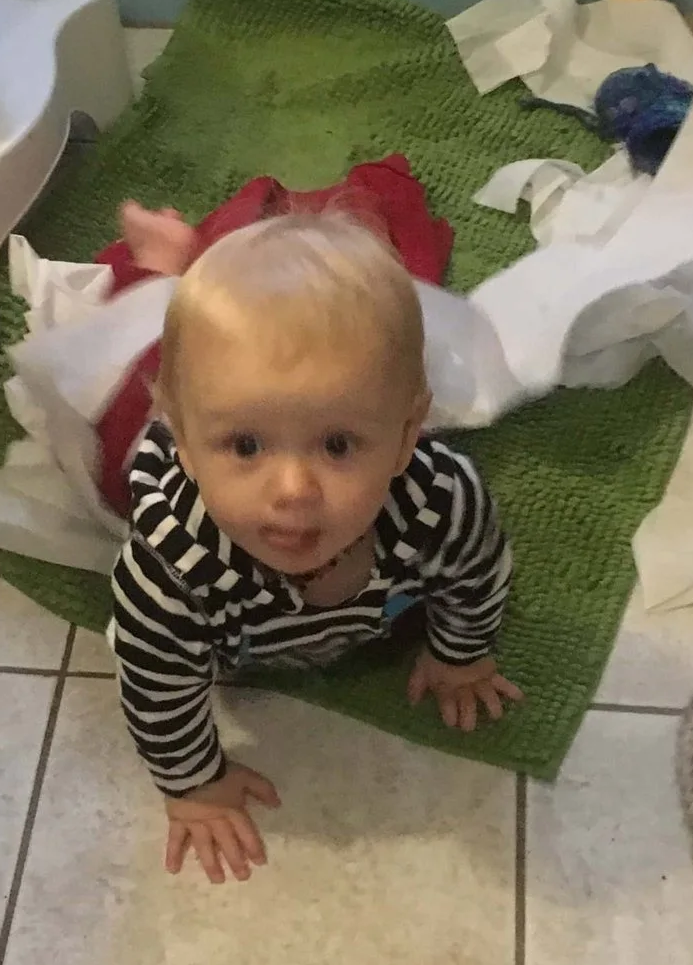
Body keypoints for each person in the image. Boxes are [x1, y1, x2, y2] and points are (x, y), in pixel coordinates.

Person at [108, 204, 517, 885]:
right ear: (186, 444)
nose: (294, 489)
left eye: (337, 444)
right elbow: (156, 686)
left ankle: (190, 269)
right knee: (113, 416)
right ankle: (171, 268)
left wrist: (460, 654)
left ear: (407, 434)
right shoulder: (171, 565)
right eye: (246, 445)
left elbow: (476, 575)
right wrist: (194, 783)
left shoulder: (440, 501)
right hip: (161, 444)